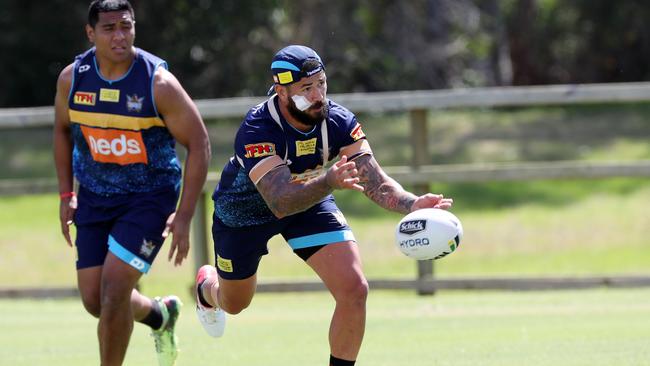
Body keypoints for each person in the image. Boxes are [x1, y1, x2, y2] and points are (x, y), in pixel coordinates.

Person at [194, 45, 453, 365]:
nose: (318, 95)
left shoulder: (339, 121)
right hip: (245, 214)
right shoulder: (258, 127)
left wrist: (412, 204)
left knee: (354, 289)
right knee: (234, 304)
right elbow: (280, 200)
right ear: (281, 90)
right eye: (306, 88)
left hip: (309, 202)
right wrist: (328, 181)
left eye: (321, 83)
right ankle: (207, 288)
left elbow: (375, 180)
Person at [52, 1, 210, 365]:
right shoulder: (73, 79)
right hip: (94, 196)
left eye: (126, 26)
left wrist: (183, 216)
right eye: (109, 29)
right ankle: (160, 314)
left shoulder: (158, 83)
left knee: (112, 293)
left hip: (149, 198)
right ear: (91, 34)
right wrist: (66, 193)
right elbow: (61, 131)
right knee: (95, 300)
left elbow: (199, 143)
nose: (119, 36)